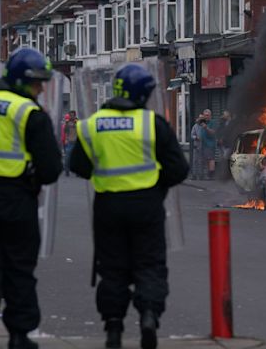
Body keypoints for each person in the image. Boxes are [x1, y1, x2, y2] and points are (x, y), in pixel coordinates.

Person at [69, 63, 189, 349]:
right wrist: (157, 184)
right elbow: (179, 169)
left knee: (112, 269)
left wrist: (104, 169)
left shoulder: (91, 125)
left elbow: (78, 166)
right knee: (150, 265)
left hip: (108, 206)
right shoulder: (152, 124)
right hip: (147, 205)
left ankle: (113, 327)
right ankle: (148, 315)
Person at [0, 48, 62, 349]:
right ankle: (18, 335)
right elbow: (52, 169)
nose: (41, 89)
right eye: (36, 83)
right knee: (18, 269)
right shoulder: (29, 113)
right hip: (17, 199)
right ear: (20, 81)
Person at [200, 108, 217, 180]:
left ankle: (211, 176)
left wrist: (206, 128)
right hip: (203, 144)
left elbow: (213, 133)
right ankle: (206, 174)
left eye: (207, 115)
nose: (206, 117)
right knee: (205, 159)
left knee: (211, 159)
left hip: (210, 144)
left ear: (210, 116)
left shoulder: (213, 122)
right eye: (205, 115)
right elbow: (197, 121)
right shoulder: (203, 122)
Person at [190, 114, 205, 180]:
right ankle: (194, 175)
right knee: (195, 161)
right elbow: (192, 135)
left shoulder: (204, 126)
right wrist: (196, 137)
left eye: (202, 118)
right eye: (200, 118)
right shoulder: (195, 126)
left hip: (203, 146)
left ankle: (201, 175)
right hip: (196, 145)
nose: (200, 120)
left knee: (201, 161)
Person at [63, 110, 78, 176]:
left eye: (73, 115)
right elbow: (65, 131)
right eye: (70, 115)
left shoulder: (77, 121)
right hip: (70, 141)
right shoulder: (67, 122)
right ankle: (67, 170)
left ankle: (78, 171)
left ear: (75, 115)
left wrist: (76, 123)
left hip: (77, 142)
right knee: (67, 157)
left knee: (78, 158)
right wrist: (66, 124)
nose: (71, 116)